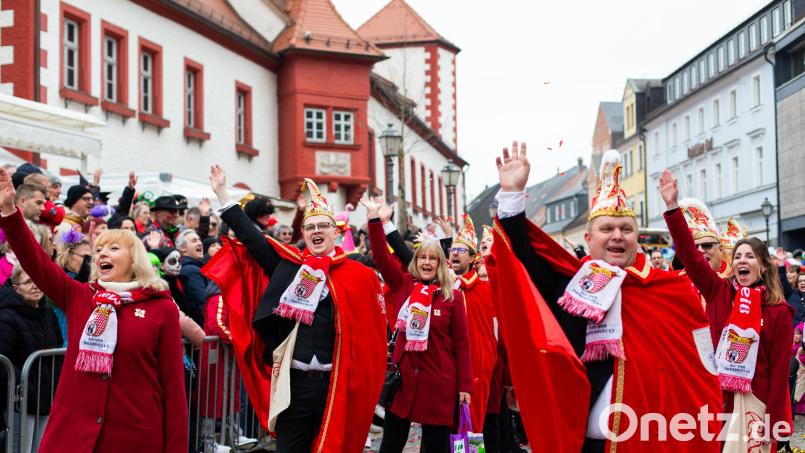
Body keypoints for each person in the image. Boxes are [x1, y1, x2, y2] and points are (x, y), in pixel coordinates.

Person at [492, 145, 721, 452]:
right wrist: (511, 197)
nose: (617, 235)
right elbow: (522, 258)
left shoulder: (669, 290)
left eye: (626, 229)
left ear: (636, 239)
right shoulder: (571, 286)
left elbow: (696, 373)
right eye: (607, 228)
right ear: (588, 239)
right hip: (584, 443)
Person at [0, 168, 188, 452]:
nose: (102, 254)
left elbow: (174, 391)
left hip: (133, 438)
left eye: (113, 248)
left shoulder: (161, 308)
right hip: (74, 437)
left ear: (134, 259)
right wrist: (9, 213)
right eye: (99, 249)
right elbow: (35, 261)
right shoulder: (80, 297)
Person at [207, 166, 386, 453]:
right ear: (303, 232)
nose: (317, 232)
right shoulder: (289, 266)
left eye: (323, 226)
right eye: (311, 227)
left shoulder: (358, 274)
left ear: (335, 232)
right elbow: (254, 240)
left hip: (335, 384)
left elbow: (372, 333)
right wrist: (222, 194)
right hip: (294, 385)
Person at [661, 169, 793, 450]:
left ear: (764, 266)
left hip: (755, 403)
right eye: (738, 256)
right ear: (732, 264)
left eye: (750, 257)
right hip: (715, 401)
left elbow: (781, 374)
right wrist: (673, 208)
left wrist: (776, 424)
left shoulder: (779, 313)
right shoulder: (719, 292)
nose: (742, 261)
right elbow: (689, 254)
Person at [363, 196, 472, 453]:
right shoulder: (403, 285)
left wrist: (465, 386)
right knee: (390, 446)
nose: (426, 263)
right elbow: (380, 255)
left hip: (439, 385)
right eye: (421, 257)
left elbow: (462, 345)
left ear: (440, 264)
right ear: (415, 261)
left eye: (432, 259)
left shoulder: (452, 297)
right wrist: (375, 220)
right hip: (404, 385)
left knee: (435, 448)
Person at [0, 265, 62, 452]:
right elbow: (2, 362)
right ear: (15, 286)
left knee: (41, 448)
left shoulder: (47, 311)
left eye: (37, 280)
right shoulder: (6, 317)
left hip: (46, 397)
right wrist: (25, 387)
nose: (35, 286)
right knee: (21, 449)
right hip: (20, 401)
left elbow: (58, 347)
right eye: (28, 282)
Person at [447, 215, 498, 437]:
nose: (455, 253)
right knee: (445, 428)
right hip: (447, 368)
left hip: (477, 369)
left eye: (462, 250)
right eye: (452, 250)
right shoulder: (442, 289)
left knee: (472, 426)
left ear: (472, 258)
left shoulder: (486, 289)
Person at [176, 229, 207, 325]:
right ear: (182, 248)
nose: (199, 243)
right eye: (194, 241)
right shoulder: (191, 271)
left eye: (199, 240)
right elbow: (202, 303)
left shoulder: (196, 268)